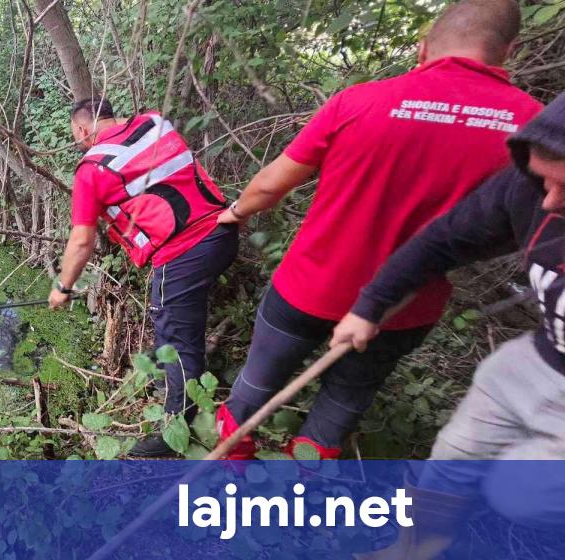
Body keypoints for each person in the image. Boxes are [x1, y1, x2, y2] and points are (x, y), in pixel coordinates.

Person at [213, 0, 542, 460]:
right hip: (402, 308)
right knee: (340, 407)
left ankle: (229, 480)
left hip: (308, 287)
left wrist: (235, 213)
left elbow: (269, 186)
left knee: (252, 389)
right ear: (509, 50)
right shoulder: (535, 132)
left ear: (422, 47)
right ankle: (297, 500)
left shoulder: (360, 101)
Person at [332, 92, 565, 559]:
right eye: (544, 181)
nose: (551, 202)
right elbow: (443, 240)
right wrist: (370, 304)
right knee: (456, 455)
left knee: (519, 493)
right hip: (540, 358)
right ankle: (417, 546)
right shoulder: (532, 193)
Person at [49, 96, 238, 457]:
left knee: (178, 343)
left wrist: (63, 287)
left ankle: (175, 433)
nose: (77, 141)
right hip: (223, 233)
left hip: (182, 254)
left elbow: (82, 240)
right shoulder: (153, 122)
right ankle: (171, 378)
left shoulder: (92, 169)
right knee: (173, 325)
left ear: (82, 128)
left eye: (76, 135)